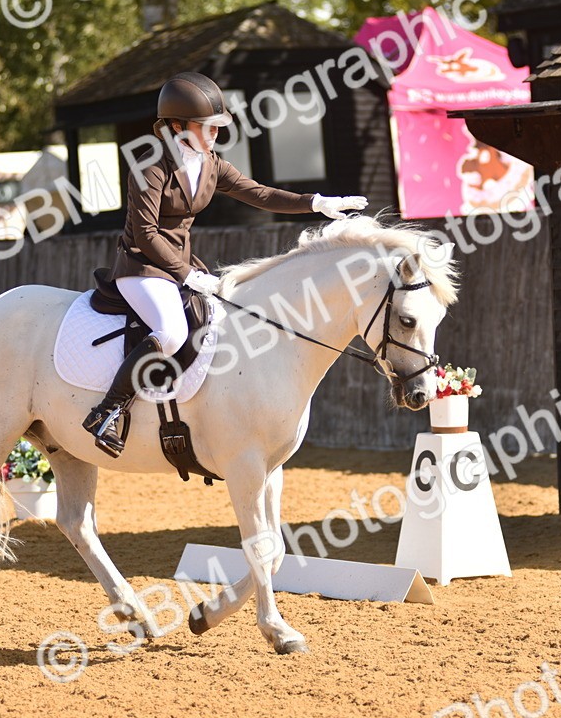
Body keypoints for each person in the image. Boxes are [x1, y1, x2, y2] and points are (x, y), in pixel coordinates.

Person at [82, 72, 367, 457]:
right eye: (208, 127)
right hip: (142, 267)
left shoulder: (210, 163)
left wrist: (315, 203)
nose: (216, 134)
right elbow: (146, 234)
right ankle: (107, 411)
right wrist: (187, 275)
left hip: (182, 264)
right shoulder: (149, 166)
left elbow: (259, 193)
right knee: (169, 331)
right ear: (178, 126)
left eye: (218, 128)